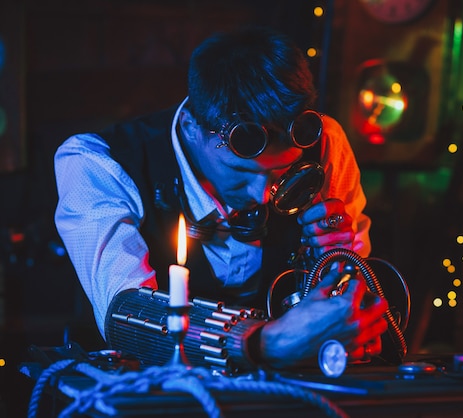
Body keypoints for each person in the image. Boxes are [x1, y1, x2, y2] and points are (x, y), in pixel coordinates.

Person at [54, 26, 389, 370]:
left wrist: (335, 259)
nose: (262, 196)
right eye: (240, 172)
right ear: (189, 127)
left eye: (279, 173)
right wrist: (264, 343)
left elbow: (355, 305)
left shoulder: (323, 144)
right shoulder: (96, 163)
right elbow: (126, 312)